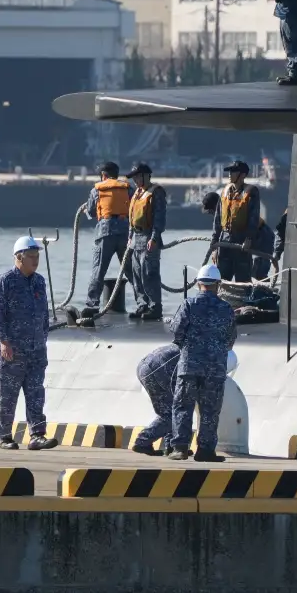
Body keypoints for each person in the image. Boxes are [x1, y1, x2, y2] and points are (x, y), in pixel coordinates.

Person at [0, 236, 59, 450]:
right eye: (31, 257)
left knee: (36, 393)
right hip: (13, 351)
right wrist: (4, 342)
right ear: (19, 258)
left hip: (36, 350)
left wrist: (43, 338)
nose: (35, 260)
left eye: (37, 256)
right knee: (8, 396)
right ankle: (5, 437)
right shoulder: (6, 282)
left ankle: (37, 435)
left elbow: (44, 314)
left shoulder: (39, 281)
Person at [169, 263, 237, 462]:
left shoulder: (189, 304)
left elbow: (176, 332)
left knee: (183, 406)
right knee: (210, 410)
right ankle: (205, 451)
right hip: (215, 368)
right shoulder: (226, 308)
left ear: (198, 283)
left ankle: (180, 448)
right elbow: (230, 339)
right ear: (218, 284)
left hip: (189, 366)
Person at [81, 160, 131, 317]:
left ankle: (92, 304)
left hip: (105, 232)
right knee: (131, 270)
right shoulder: (128, 188)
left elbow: (91, 211)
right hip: (125, 232)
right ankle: (144, 304)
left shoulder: (97, 190)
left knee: (98, 270)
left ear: (103, 175)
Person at [208, 161, 262, 284]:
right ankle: (222, 302)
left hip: (241, 241)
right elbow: (218, 219)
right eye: (229, 171)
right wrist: (214, 244)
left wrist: (249, 239)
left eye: (233, 171)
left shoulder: (251, 192)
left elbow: (253, 218)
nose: (230, 174)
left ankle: (242, 302)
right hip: (225, 241)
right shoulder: (224, 191)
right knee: (221, 280)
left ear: (242, 175)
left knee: (243, 281)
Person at [126, 162, 167, 320]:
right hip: (136, 238)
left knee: (149, 273)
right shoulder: (137, 193)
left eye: (137, 176)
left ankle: (155, 307)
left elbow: (159, 217)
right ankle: (142, 304)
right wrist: (130, 236)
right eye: (134, 177)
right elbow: (132, 218)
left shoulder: (156, 192)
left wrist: (154, 237)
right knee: (137, 273)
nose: (135, 180)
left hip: (149, 237)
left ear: (146, 176)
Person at [131, 343, 181, 455]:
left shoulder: (192, 342)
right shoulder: (205, 352)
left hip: (146, 366)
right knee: (173, 414)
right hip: (160, 369)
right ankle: (142, 442)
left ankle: (171, 447)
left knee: (170, 410)